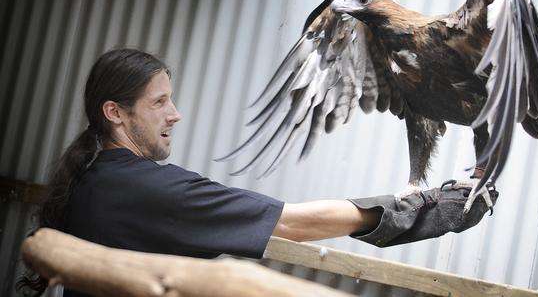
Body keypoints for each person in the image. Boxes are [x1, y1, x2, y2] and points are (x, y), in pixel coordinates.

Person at [18, 48, 496, 296]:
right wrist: (417, 209)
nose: (175, 114)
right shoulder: (147, 188)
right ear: (115, 113)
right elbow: (292, 223)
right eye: (160, 102)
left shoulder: (90, 175)